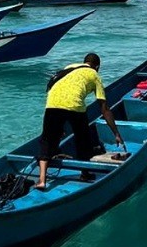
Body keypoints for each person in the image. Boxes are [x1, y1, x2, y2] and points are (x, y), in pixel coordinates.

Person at [35, 53, 124, 189]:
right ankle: (85, 174)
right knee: (83, 140)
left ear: (84, 62)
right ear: (97, 67)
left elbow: (60, 90)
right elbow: (104, 108)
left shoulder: (69, 67)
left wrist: (60, 127)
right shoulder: (94, 75)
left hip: (52, 104)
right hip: (75, 106)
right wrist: (116, 133)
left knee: (47, 140)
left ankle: (42, 180)